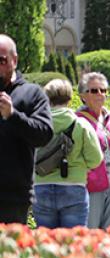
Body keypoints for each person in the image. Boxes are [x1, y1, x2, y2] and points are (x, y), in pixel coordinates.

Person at [32, 79, 102, 229]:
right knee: (73, 243)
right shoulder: (81, 125)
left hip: (41, 186)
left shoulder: (36, 124)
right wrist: (80, 164)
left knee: (46, 241)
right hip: (74, 187)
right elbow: (96, 159)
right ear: (70, 99)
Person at [0, 34, 54, 224]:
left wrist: (13, 115)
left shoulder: (32, 94)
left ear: (14, 60)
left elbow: (44, 134)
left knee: (8, 253)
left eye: (1, 60)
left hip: (12, 198)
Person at [76, 72, 110, 229]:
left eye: (103, 90)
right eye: (94, 90)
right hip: (92, 186)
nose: (100, 94)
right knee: (91, 233)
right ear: (83, 96)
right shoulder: (78, 120)